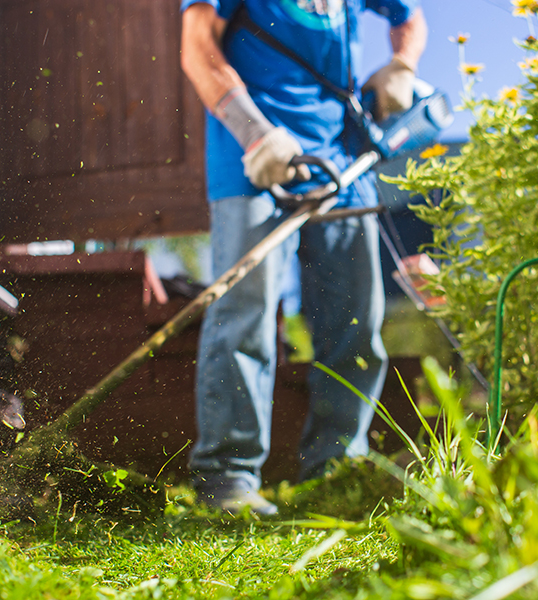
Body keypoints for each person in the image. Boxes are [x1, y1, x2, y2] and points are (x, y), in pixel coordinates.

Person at [179, 0, 427, 515]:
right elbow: (196, 47)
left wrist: (402, 65)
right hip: (255, 159)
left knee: (356, 322)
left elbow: (410, 16)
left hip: (343, 164)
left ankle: (335, 472)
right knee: (244, 313)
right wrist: (252, 131)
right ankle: (227, 478)